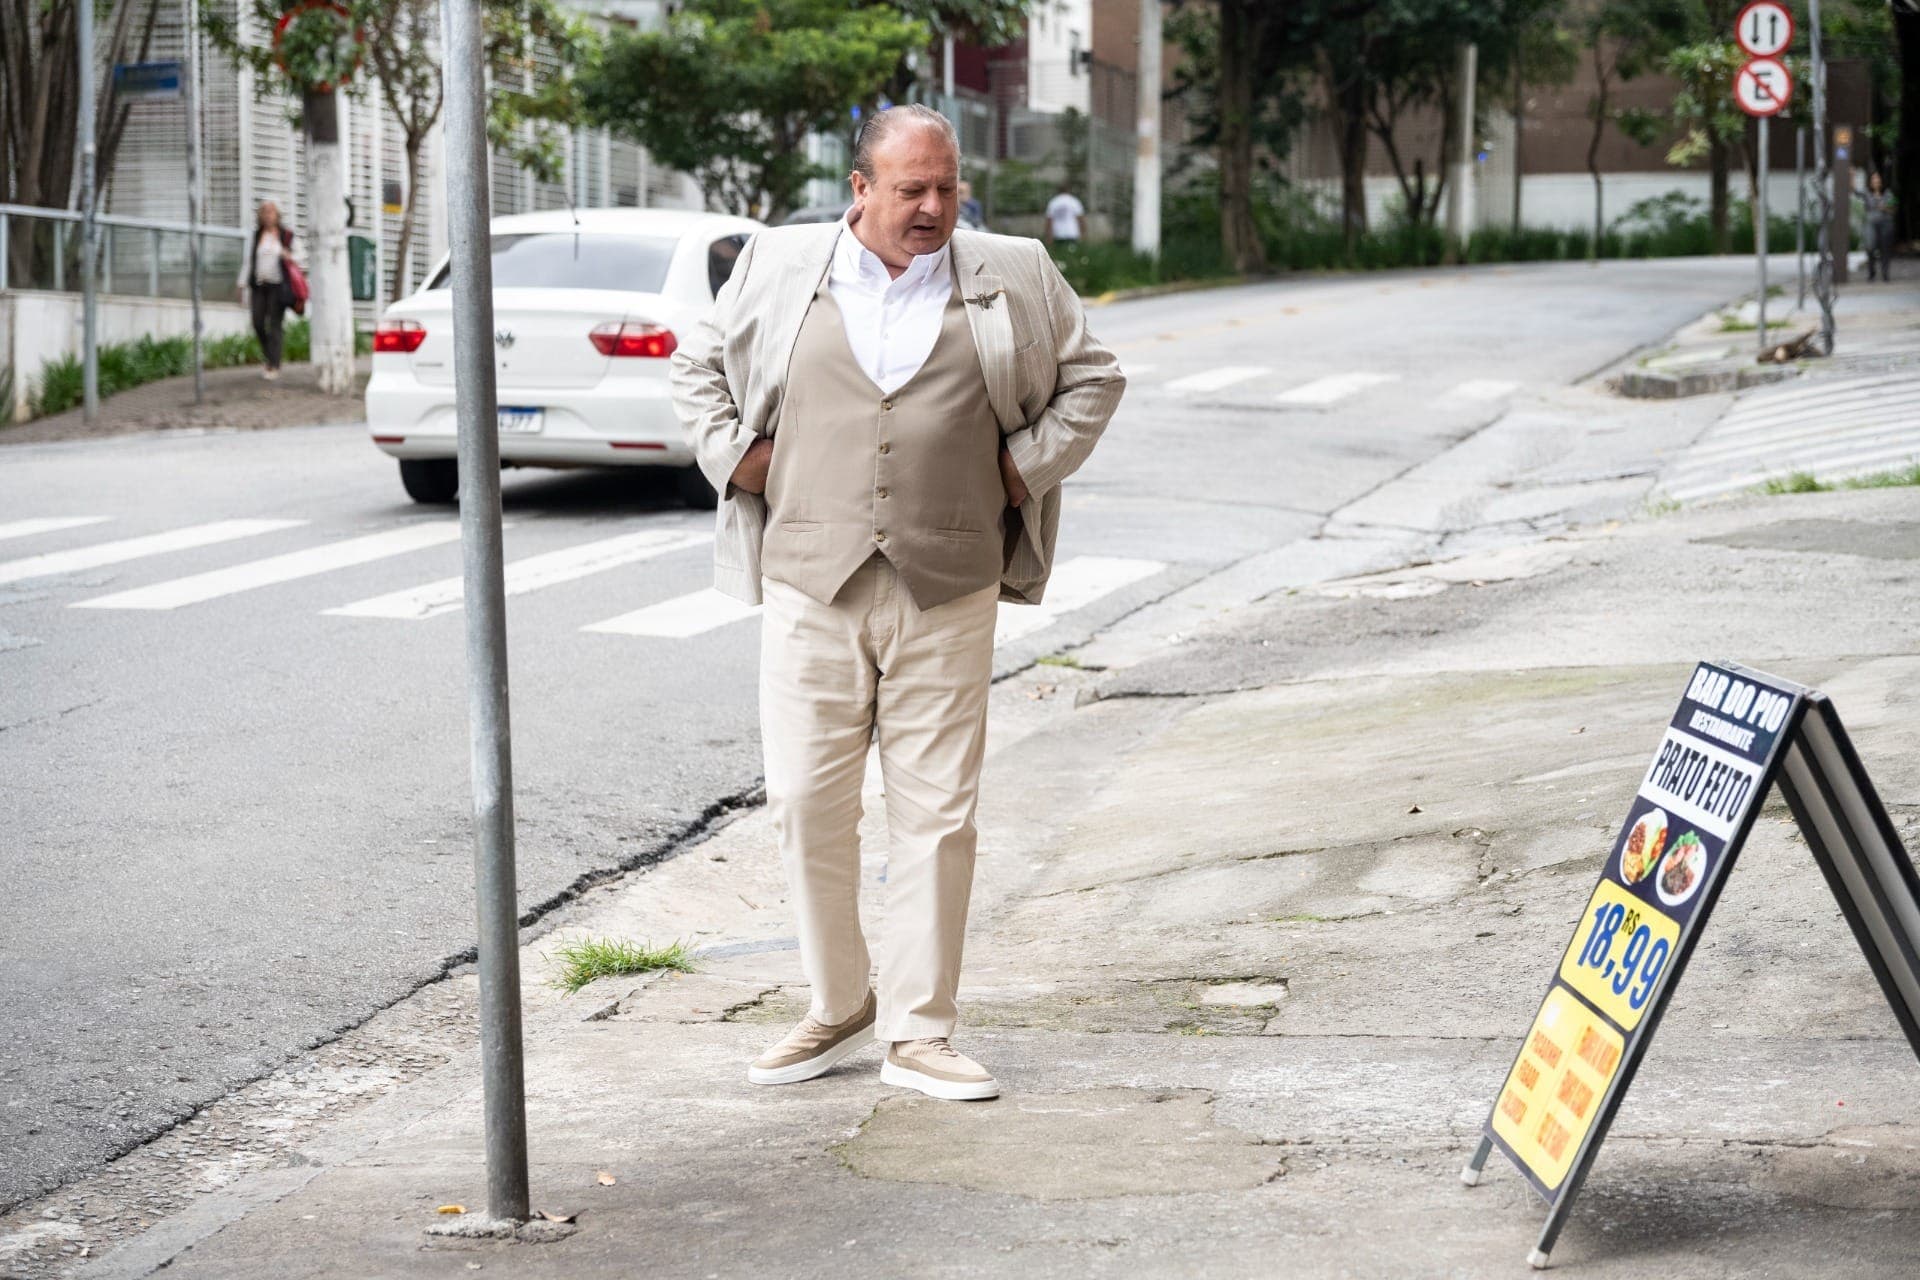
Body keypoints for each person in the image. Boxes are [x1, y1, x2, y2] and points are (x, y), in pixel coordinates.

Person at [670, 104, 1124, 1102]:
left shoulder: (1013, 272)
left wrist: (1020, 472)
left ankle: (922, 1031)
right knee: (803, 802)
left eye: (946, 188)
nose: (932, 208)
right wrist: (737, 457)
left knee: (936, 816)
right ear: (861, 190)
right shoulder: (785, 266)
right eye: (911, 189)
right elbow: (696, 364)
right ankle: (840, 1004)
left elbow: (1095, 377)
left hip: (948, 582)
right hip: (809, 581)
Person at [236, 201, 295, 379]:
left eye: (271, 212)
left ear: (277, 215)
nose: (268, 215)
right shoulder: (256, 236)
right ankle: (270, 357)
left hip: (278, 286)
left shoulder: (286, 236)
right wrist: (241, 284)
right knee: (257, 322)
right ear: (260, 215)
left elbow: (301, 256)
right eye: (265, 212)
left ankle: (274, 365)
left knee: (275, 325)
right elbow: (248, 261)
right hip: (259, 285)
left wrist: (288, 255)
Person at [1862, 171, 1896, 283]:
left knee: (1885, 249)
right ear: (1870, 182)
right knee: (1870, 248)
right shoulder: (1867, 193)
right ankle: (1872, 274)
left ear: (1881, 181)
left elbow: (1894, 208)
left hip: (1885, 224)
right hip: (1871, 224)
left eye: (1878, 178)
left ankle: (1885, 274)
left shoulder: (1888, 193)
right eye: (1873, 179)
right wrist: (1851, 175)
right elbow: (1853, 190)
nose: (1876, 181)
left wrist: (1884, 208)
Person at [1044, 181, 1085, 246]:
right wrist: (1083, 235)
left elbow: (1049, 221)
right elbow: (1081, 220)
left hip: (1058, 234)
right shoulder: (1074, 201)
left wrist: (1048, 238)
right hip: (1072, 233)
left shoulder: (1053, 202)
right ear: (1069, 190)